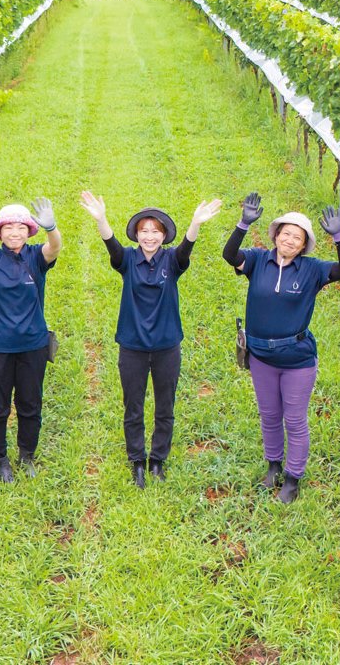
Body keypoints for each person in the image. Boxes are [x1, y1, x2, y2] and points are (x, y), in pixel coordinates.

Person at [80, 191, 222, 487]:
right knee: (133, 406)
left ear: (164, 236)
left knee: (164, 406)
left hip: (166, 346)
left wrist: (195, 223)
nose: (149, 236)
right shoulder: (128, 260)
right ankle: (137, 461)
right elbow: (113, 248)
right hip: (131, 346)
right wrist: (102, 219)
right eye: (144, 231)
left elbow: (185, 250)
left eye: (155, 231)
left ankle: (157, 459)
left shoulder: (172, 261)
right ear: (136, 234)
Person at [222, 192, 340, 503]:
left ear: (304, 244)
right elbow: (230, 255)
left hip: (296, 359)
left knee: (294, 419)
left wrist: (339, 236)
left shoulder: (312, 269)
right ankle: (273, 465)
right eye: (286, 233)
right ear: (276, 235)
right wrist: (243, 223)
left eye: (298, 237)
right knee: (269, 414)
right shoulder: (257, 261)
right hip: (261, 356)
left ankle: (293, 478)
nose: (290, 240)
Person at [0, 196, 61, 482]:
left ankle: (26, 454)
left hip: (33, 346)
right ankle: (0, 460)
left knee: (30, 404)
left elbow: (55, 247)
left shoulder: (36, 258)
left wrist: (51, 227)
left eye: (20, 227)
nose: (14, 233)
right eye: (8, 228)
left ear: (29, 231)